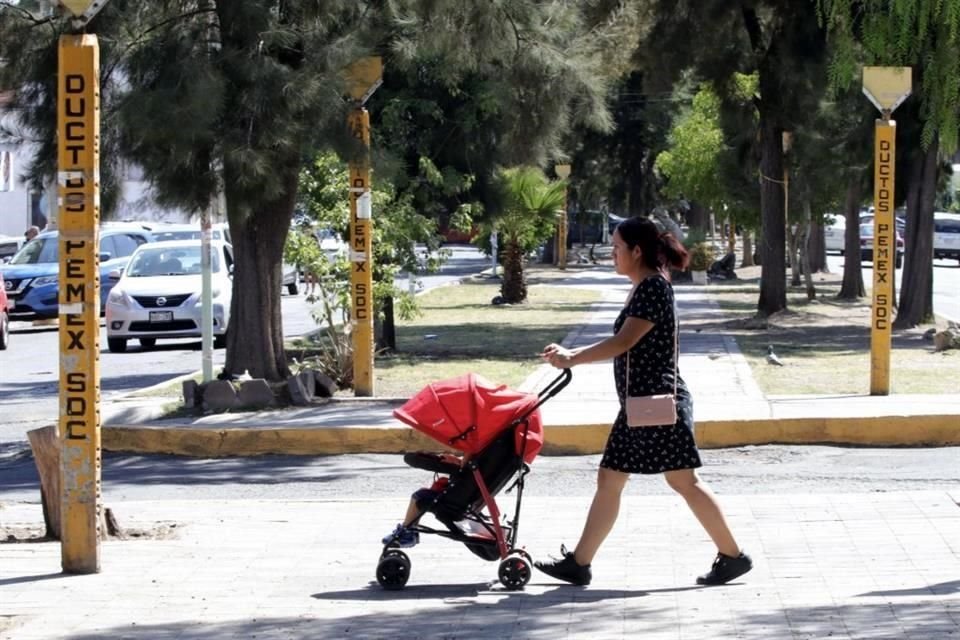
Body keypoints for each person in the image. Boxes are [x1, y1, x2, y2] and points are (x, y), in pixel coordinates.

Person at [535, 216, 752, 587]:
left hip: (655, 406)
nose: (613, 255)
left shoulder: (652, 288)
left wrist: (572, 357)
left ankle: (733, 555)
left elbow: (623, 342)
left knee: (682, 481)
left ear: (637, 251)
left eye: (618, 248)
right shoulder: (645, 286)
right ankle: (579, 562)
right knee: (614, 478)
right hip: (642, 406)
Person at [381, 453, 464, 548]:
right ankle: (409, 530)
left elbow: (464, 466)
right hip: (464, 499)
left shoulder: (474, 451)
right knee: (423, 493)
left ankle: (408, 533)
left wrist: (455, 462)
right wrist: (456, 460)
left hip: (455, 503)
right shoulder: (482, 459)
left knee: (419, 496)